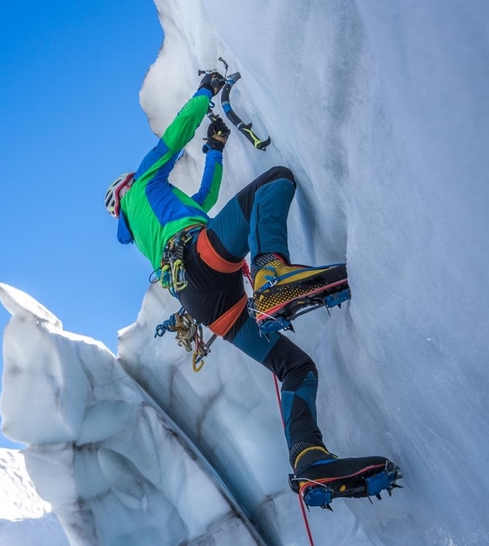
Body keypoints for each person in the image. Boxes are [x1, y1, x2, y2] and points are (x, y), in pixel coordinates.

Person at [106, 72, 398, 506]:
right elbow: (171, 140)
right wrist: (206, 91)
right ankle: (272, 277)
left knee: (296, 369)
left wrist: (215, 150)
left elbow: (203, 198)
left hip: (206, 303)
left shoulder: (154, 217)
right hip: (198, 259)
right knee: (275, 181)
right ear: (125, 187)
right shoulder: (143, 185)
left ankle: (309, 459)